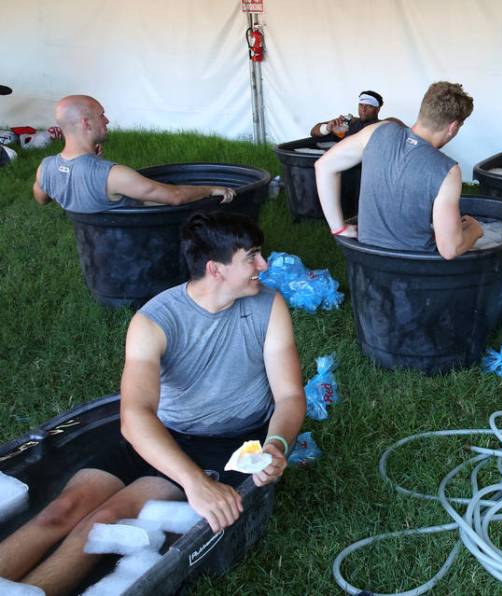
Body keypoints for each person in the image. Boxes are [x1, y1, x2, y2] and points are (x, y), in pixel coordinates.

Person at [0, 212, 305, 595]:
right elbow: (134, 416)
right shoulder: (155, 320)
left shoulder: (268, 305)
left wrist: (276, 445)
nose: (264, 264)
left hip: (228, 444)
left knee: (108, 520)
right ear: (216, 269)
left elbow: (290, 396)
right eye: (253, 257)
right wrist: (194, 484)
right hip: (159, 435)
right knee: (60, 511)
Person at [314, 81, 482, 260]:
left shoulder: (376, 131)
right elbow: (449, 250)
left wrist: (338, 227)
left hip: (365, 258)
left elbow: (323, 166)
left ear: (423, 110)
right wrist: (475, 230)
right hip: (415, 270)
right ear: (453, 127)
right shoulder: (448, 170)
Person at [32, 95, 235, 214]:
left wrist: (92, 164)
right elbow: (176, 197)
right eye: (101, 114)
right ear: (86, 123)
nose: (107, 120)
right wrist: (211, 189)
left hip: (93, 249)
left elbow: (41, 198)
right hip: (136, 249)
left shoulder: (46, 167)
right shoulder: (112, 175)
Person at [310, 90, 385, 141]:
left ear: (377, 109)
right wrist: (327, 128)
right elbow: (313, 132)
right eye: (361, 105)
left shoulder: (384, 126)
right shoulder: (350, 121)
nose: (363, 109)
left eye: (369, 106)